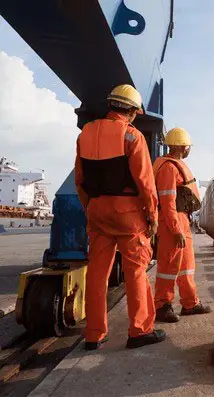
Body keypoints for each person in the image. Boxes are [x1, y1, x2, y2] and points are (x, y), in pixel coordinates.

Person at [74, 84, 166, 349]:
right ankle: (139, 331)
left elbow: (80, 179)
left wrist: (90, 208)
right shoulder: (132, 137)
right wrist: (152, 218)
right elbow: (146, 184)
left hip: (97, 212)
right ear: (134, 112)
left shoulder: (85, 135)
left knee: (96, 275)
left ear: (111, 105)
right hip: (128, 215)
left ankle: (93, 334)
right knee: (136, 271)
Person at [153, 127, 211, 322]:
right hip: (172, 222)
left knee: (187, 265)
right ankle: (162, 305)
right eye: (188, 147)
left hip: (182, 220)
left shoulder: (173, 165)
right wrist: (175, 230)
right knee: (168, 266)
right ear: (182, 146)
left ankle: (190, 303)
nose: (189, 150)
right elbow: (168, 202)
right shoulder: (168, 168)